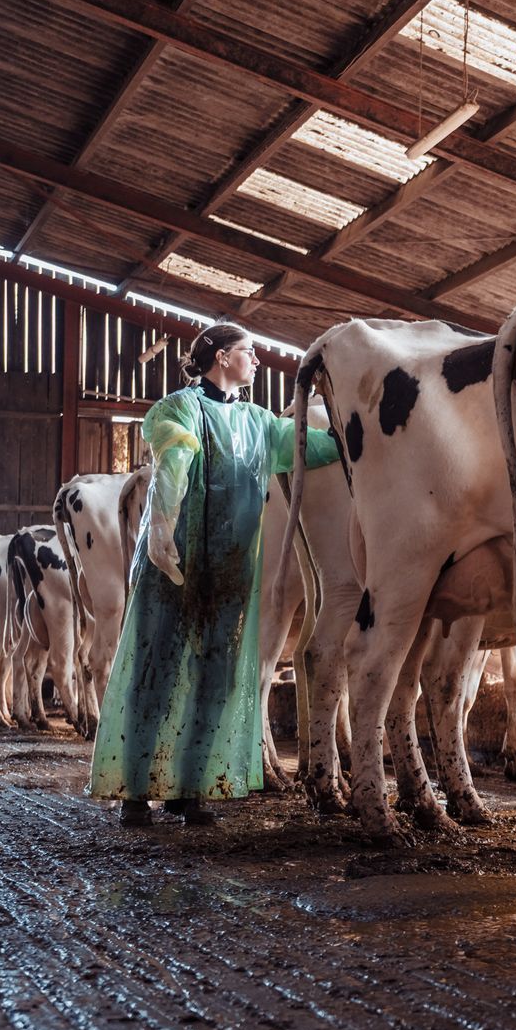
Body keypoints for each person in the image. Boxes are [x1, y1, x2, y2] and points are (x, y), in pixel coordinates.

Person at [88, 322, 340, 826]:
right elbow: (174, 459)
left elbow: (311, 447)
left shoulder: (259, 422)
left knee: (215, 678)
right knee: (156, 672)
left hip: (230, 571)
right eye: (250, 351)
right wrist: (162, 525)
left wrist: (349, 420)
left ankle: (190, 788)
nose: (258, 360)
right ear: (222, 357)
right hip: (175, 567)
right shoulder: (178, 408)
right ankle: (136, 792)